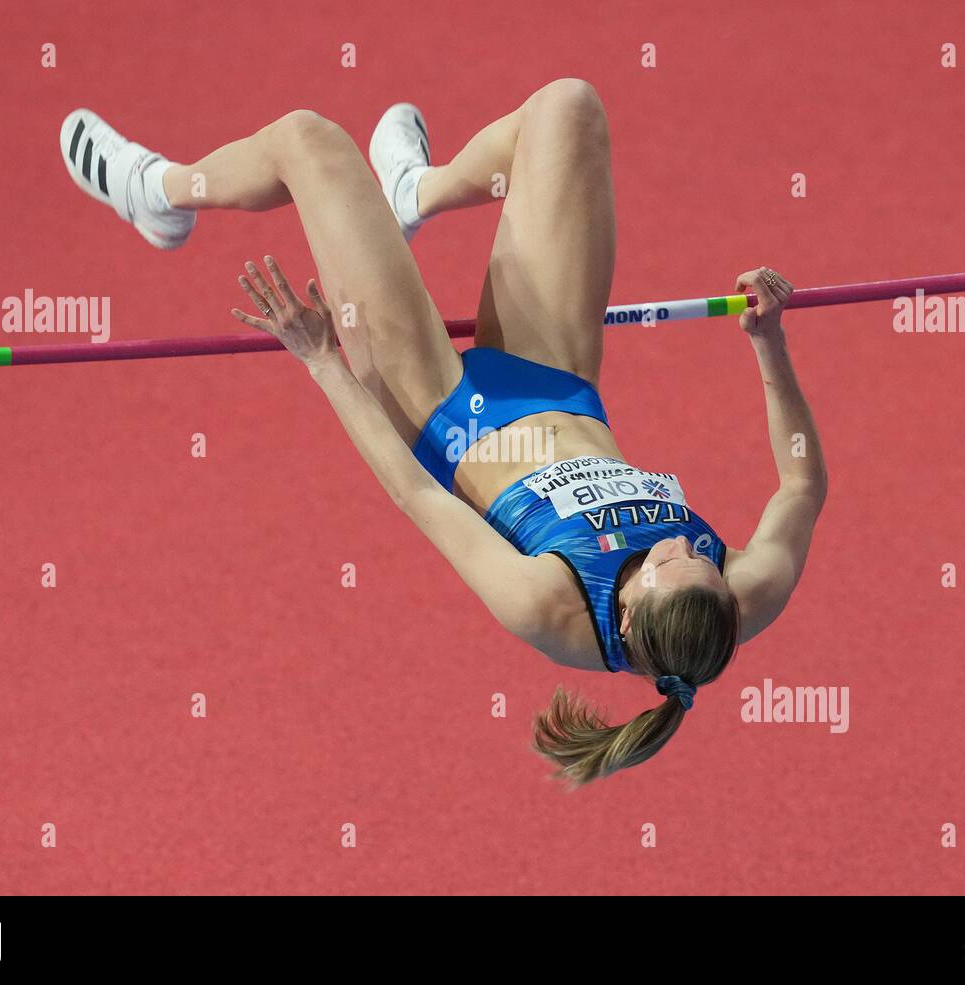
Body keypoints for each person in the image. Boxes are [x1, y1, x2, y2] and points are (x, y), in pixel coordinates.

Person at [59, 78, 827, 785]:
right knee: (568, 108)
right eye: (703, 555)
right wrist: (770, 343)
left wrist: (325, 362)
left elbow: (418, 496)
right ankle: (416, 190)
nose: (689, 545)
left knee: (309, 140)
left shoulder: (551, 606)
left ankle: (157, 194)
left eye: (673, 561)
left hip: (436, 407)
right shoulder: (733, 602)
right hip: (555, 376)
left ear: (626, 616)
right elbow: (801, 484)